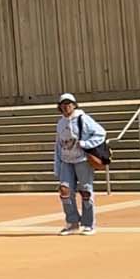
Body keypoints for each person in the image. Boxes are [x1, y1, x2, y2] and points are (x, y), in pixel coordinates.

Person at [54, 90, 107, 234]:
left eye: (68, 104)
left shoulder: (83, 118)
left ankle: (89, 223)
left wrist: (85, 144)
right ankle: (72, 222)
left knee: (85, 191)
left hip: (82, 160)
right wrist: (57, 165)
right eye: (63, 104)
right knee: (65, 191)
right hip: (66, 160)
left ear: (74, 105)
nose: (66, 107)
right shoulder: (60, 123)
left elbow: (101, 133)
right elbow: (58, 145)